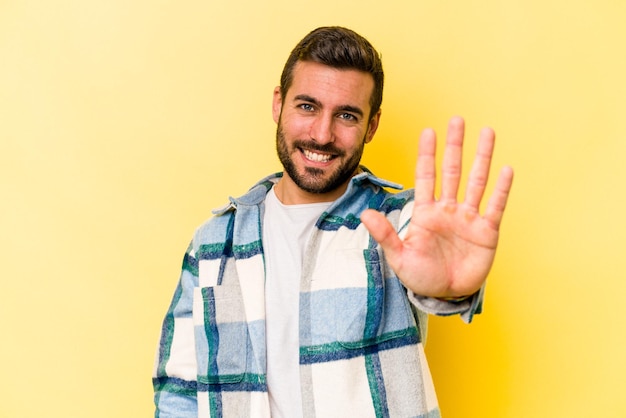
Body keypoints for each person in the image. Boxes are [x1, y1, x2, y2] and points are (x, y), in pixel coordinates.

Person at [153, 26, 514, 418]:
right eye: (307, 106)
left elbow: (428, 260)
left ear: (371, 125)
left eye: (346, 115)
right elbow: (180, 392)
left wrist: (448, 289)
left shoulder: (397, 224)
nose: (322, 134)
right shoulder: (213, 243)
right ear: (279, 104)